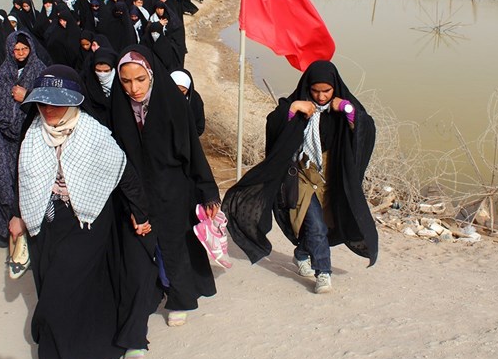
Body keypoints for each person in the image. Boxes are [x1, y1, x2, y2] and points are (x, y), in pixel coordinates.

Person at [12, 65, 151, 359]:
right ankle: (64, 351)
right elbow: (22, 176)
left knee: (61, 286)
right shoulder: (33, 130)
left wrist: (140, 215)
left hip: (87, 222)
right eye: (43, 102)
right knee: (57, 284)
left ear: (74, 101)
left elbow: (124, 175)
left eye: (57, 102)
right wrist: (16, 214)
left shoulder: (93, 133)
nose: (49, 109)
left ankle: (59, 354)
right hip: (45, 221)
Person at [222, 60, 378, 294]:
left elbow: (365, 127)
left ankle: (301, 253)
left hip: (328, 176)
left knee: (325, 224)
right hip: (301, 175)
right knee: (315, 225)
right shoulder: (296, 104)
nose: (321, 96)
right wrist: (294, 108)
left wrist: (346, 109)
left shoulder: (341, 107)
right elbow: (274, 125)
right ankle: (323, 272)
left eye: (327, 91)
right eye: (316, 90)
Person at [110, 45, 219, 328]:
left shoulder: (172, 105)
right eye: (126, 81)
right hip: (136, 190)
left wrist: (207, 190)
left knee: (173, 244)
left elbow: (193, 151)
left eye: (140, 79)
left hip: (173, 189)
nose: (133, 88)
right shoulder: (118, 109)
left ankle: (180, 298)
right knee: (143, 245)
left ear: (152, 76)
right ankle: (150, 294)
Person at [0, 32, 45, 250]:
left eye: (24, 49)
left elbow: (46, 105)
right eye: (16, 49)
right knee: (5, 182)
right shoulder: (3, 73)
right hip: (6, 141)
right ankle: (11, 228)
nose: (20, 54)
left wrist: (27, 95)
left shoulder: (39, 71)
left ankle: (34, 229)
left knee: (31, 183)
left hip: (31, 138)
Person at [170, 69, 206, 136]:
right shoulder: (162, 98)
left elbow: (199, 126)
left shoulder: (195, 101)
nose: (179, 94)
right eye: (175, 90)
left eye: (183, 91)